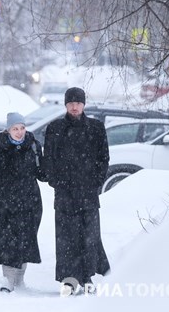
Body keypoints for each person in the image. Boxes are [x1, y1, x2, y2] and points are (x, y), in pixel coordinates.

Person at [43, 87, 111, 295]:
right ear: (65, 104)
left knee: (89, 237)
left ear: (84, 104)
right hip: (64, 194)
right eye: (71, 103)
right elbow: (49, 159)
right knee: (66, 238)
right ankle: (69, 279)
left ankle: (87, 275)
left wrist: (95, 182)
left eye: (78, 103)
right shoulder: (55, 128)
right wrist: (56, 182)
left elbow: (104, 158)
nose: (74, 106)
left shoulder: (96, 128)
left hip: (88, 193)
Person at [0, 112, 45, 292]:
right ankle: (8, 279)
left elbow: (42, 172)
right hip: (4, 201)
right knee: (6, 241)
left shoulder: (33, 146)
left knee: (25, 240)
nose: (19, 132)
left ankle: (20, 280)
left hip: (29, 200)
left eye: (22, 128)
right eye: (15, 128)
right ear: (8, 130)